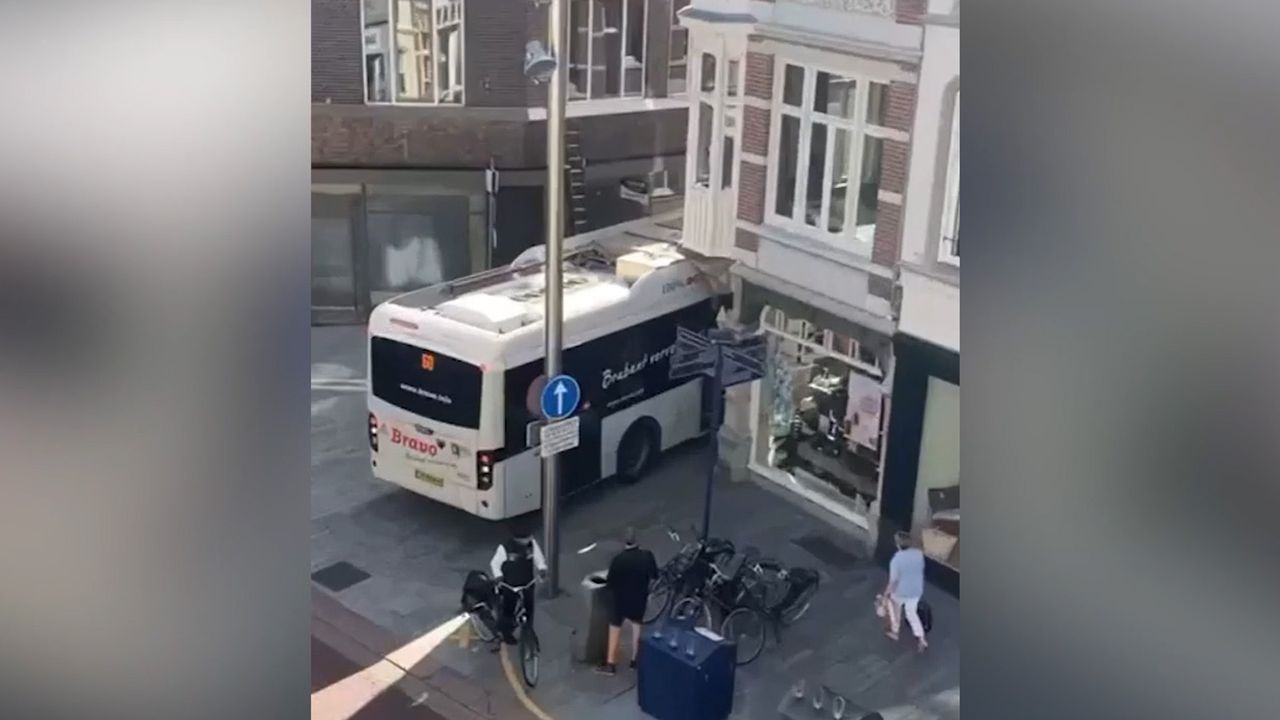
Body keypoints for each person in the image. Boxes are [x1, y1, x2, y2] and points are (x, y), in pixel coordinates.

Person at [596, 527, 658, 675]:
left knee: (615, 627)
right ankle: (635, 660)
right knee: (637, 626)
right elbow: (655, 575)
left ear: (623, 542)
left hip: (620, 600)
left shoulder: (619, 560)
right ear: (637, 540)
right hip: (639, 599)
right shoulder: (647, 556)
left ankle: (610, 663)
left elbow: (610, 582)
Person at [489, 523, 547, 644]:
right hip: (510, 585)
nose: (530, 539)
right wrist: (498, 576)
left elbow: (539, 558)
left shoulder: (532, 544)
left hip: (528, 583)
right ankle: (506, 633)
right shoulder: (504, 548)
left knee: (529, 607)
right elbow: (495, 563)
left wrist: (542, 568)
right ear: (517, 539)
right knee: (508, 610)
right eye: (526, 538)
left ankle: (528, 629)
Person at [883, 531, 928, 653]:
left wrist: (885, 594)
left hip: (901, 591)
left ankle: (895, 631)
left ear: (897, 545)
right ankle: (921, 637)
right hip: (916, 590)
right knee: (911, 614)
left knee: (895, 608)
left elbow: (893, 581)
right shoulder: (919, 554)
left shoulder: (896, 560)